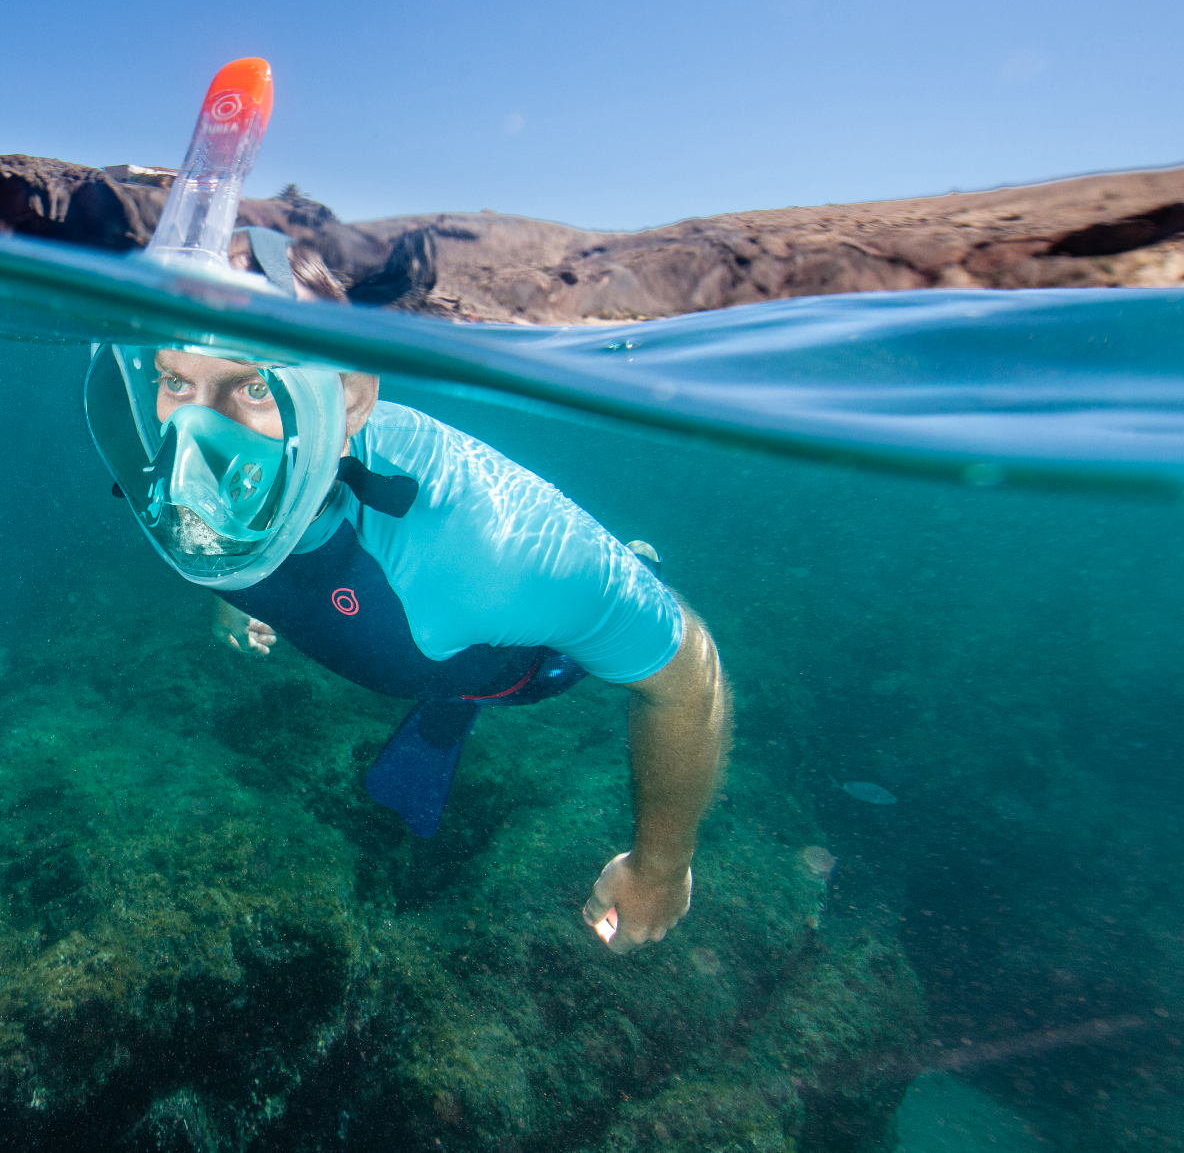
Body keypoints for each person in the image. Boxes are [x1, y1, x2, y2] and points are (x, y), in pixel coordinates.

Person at [84, 340, 729, 955]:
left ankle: (638, 559)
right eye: (175, 381)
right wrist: (234, 591)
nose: (198, 442)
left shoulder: (489, 560)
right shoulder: (165, 475)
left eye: (256, 387)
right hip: (412, 639)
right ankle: (445, 703)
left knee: (607, 611)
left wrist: (660, 868)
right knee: (429, 658)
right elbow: (230, 515)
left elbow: (686, 673)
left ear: (351, 400)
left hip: (521, 664)